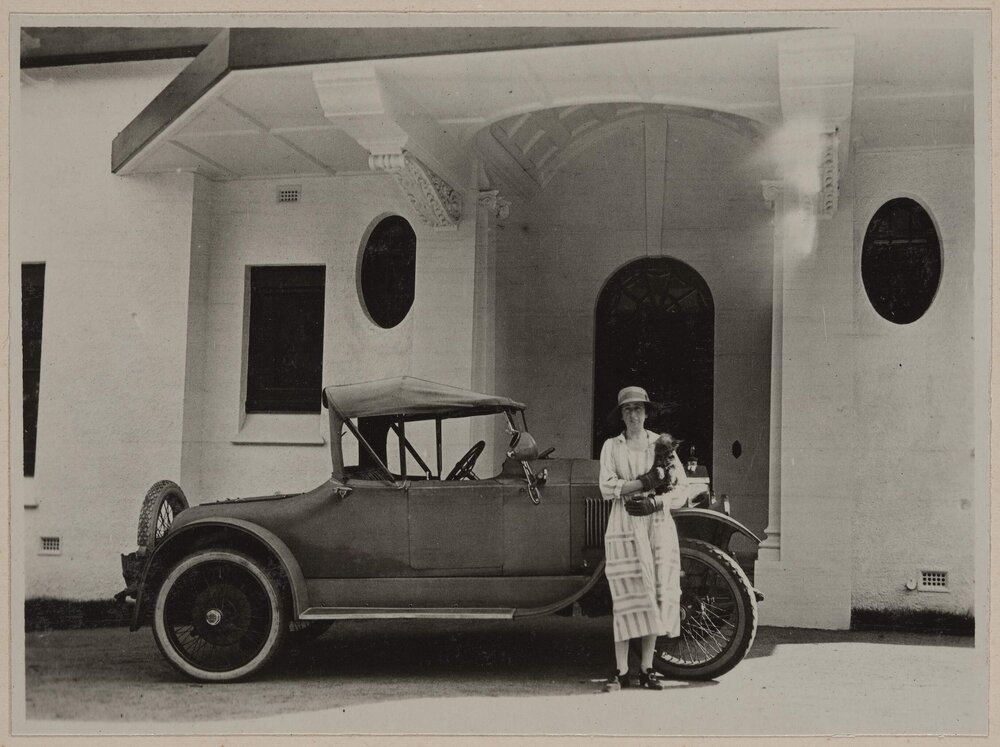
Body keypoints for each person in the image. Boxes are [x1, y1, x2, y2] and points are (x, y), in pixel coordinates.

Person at [598, 385, 691, 692]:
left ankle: (647, 668)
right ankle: (621, 671)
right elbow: (606, 486)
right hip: (625, 523)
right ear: (621, 415)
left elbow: (681, 489)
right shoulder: (612, 446)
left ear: (646, 412)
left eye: (639, 409)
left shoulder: (661, 444)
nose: (633, 415)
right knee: (627, 596)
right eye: (628, 410)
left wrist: (656, 501)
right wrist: (643, 482)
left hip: (657, 523)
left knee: (654, 594)